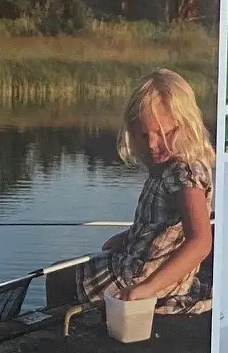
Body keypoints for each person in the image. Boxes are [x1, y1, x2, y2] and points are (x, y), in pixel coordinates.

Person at [84, 69, 215, 312]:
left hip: (148, 278)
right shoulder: (168, 167)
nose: (153, 144)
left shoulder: (185, 173)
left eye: (165, 133)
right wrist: (127, 238)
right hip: (140, 266)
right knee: (75, 267)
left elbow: (200, 241)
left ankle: (57, 330)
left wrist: (148, 287)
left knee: (59, 279)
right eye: (145, 135)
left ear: (188, 126)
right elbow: (163, 229)